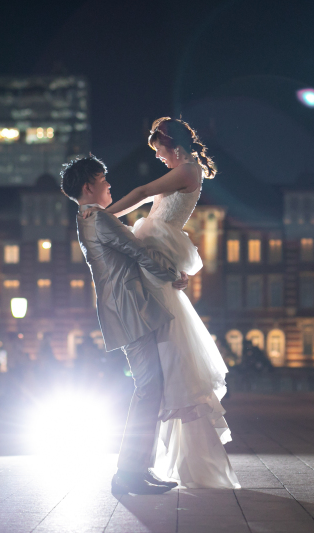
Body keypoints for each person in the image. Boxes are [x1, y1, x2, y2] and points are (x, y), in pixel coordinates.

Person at [82, 117, 240, 490]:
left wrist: (105, 215)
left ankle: (138, 469)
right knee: (159, 373)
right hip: (156, 252)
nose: (158, 158)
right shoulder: (186, 170)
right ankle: (139, 468)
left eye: (159, 151)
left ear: (174, 145)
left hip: (155, 250)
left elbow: (141, 191)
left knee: (160, 371)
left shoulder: (187, 170)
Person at [61, 154, 188, 496]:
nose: (109, 186)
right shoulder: (100, 219)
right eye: (103, 180)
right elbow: (139, 251)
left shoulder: (85, 218)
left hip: (125, 309)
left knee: (150, 387)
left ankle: (138, 469)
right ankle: (129, 472)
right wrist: (174, 274)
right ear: (88, 186)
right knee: (148, 388)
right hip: (130, 309)